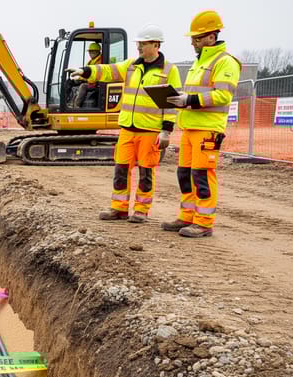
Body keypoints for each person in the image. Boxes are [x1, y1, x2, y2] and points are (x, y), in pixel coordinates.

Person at [68, 24, 181, 223]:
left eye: (143, 44)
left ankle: (141, 211)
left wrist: (166, 131)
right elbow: (108, 71)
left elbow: (171, 104)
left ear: (156, 44)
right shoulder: (131, 65)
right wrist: (86, 71)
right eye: (138, 44)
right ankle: (119, 208)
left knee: (146, 173)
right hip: (127, 129)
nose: (138, 47)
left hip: (149, 131)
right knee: (121, 169)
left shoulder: (169, 70)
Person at [162, 10, 241, 237]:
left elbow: (222, 95)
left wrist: (189, 99)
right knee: (185, 174)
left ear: (211, 37)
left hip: (207, 129)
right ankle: (187, 216)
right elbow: (197, 93)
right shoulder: (200, 63)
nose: (193, 42)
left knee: (203, 175)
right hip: (190, 127)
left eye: (197, 38)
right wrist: (181, 99)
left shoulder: (225, 62)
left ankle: (204, 222)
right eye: (192, 38)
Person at [73, 42, 103, 108]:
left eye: (92, 52)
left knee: (83, 86)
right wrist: (79, 77)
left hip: (96, 83)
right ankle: (70, 102)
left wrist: (82, 78)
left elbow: (94, 75)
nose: (90, 53)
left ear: (97, 51)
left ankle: (76, 105)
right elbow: (85, 72)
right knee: (72, 83)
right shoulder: (91, 61)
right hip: (90, 80)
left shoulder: (100, 61)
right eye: (89, 52)